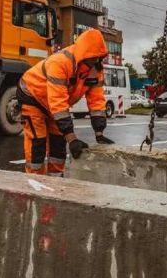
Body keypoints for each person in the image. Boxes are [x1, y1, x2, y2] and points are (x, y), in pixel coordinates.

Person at [16, 28, 114, 175]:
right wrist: (72, 138)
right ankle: (35, 181)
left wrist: (99, 132)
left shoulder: (95, 70)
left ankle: (55, 182)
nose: (96, 60)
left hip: (53, 104)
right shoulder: (61, 62)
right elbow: (58, 102)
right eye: (93, 57)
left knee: (58, 141)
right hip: (32, 96)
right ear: (84, 53)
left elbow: (97, 102)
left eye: (99, 57)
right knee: (38, 141)